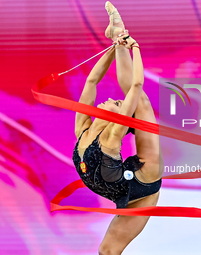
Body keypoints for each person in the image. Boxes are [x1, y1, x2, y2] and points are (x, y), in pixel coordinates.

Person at [72, 2, 163, 254]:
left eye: (117, 103)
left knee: (140, 100)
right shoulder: (83, 125)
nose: (112, 99)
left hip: (142, 186)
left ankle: (121, 35)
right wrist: (115, 47)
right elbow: (92, 80)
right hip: (122, 182)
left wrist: (135, 49)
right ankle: (119, 33)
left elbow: (135, 86)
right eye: (115, 100)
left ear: (118, 117)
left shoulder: (112, 136)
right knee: (107, 252)